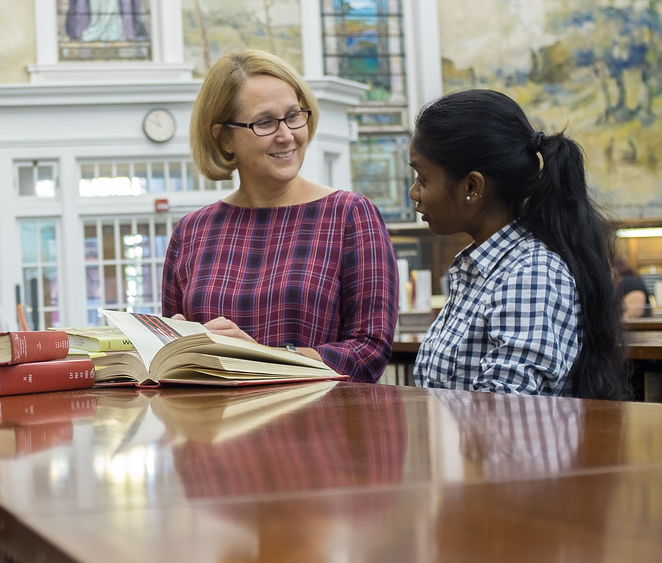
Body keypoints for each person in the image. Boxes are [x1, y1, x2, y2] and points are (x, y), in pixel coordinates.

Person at [161, 49, 398, 383]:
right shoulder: (191, 231)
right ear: (224, 138)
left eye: (293, 116)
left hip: (314, 429)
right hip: (214, 429)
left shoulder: (350, 216)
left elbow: (369, 352)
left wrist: (261, 357)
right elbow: (171, 356)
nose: (287, 135)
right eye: (265, 122)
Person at [408, 89, 628, 399]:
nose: (414, 192)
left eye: (422, 178)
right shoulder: (482, 269)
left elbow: (505, 412)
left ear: (472, 186)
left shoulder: (531, 275)